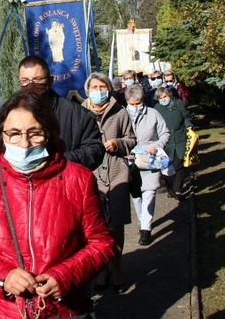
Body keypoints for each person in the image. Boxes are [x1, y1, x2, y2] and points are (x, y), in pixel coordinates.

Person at [0, 92, 114, 318]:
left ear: (48, 133)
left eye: (34, 133)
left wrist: (66, 275)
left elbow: (101, 243)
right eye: (14, 134)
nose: (25, 143)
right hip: (1, 310)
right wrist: (2, 277)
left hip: (63, 308)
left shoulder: (79, 179)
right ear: (2, 135)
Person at [81, 72, 136, 294]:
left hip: (116, 173)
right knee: (94, 226)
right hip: (90, 175)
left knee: (116, 225)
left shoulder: (120, 112)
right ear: (87, 90)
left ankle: (116, 268)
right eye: (94, 87)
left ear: (109, 90)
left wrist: (119, 143)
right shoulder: (81, 112)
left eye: (102, 87)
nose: (98, 91)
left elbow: (132, 139)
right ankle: (101, 269)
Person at [17, 56, 104, 170]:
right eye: (25, 81)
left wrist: (59, 161)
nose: (31, 86)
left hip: (66, 182)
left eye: (38, 79)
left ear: (50, 80)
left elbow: (95, 151)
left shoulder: (78, 115)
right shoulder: (10, 115)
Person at [125, 84, 170, 246]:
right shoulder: (122, 114)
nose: (136, 107)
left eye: (138, 103)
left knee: (149, 193)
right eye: (132, 104)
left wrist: (157, 146)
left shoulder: (153, 114)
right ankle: (142, 220)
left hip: (150, 160)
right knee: (136, 195)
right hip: (130, 161)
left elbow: (165, 133)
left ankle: (146, 228)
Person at [153, 86, 195, 200]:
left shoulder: (178, 104)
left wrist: (188, 125)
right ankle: (170, 189)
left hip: (179, 139)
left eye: (165, 96)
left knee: (178, 165)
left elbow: (186, 117)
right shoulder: (156, 109)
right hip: (165, 143)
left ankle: (177, 190)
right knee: (166, 167)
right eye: (160, 98)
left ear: (169, 95)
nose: (163, 99)